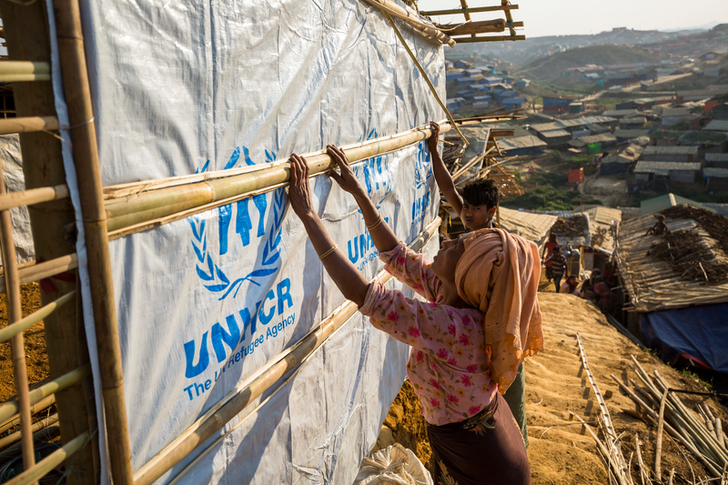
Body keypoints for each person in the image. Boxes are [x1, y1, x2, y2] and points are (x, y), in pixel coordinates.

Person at [287, 145, 544, 485]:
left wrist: (308, 216)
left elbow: (365, 295)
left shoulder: (455, 328)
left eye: (458, 247)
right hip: (474, 441)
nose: (448, 242)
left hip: (488, 463)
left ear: (467, 273)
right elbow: (397, 256)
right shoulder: (452, 293)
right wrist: (357, 191)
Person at [428, 121, 535, 449]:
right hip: (471, 327)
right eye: (468, 207)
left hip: (496, 328)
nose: (469, 213)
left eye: (476, 208)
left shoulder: (495, 248)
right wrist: (433, 149)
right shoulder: (473, 236)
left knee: (509, 385)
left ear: (491, 211)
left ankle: (517, 450)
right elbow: (447, 189)